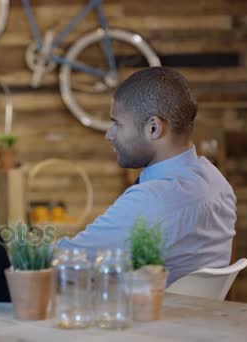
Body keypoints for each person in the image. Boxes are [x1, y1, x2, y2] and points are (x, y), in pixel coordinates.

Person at [56, 67, 236, 286]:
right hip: (192, 315)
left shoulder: (152, 200)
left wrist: (14, 245)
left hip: (148, 315)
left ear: (153, 128)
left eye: (117, 124)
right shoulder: (217, 183)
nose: (109, 135)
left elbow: (66, 259)